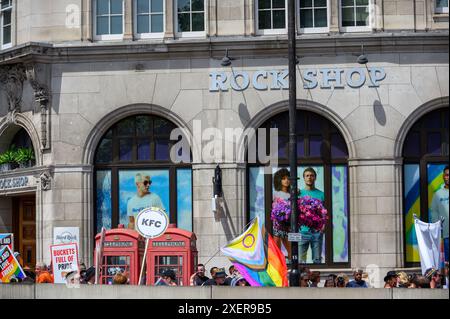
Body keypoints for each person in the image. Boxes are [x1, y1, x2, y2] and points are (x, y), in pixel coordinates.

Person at [299, 167, 325, 264]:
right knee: (301, 261)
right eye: (307, 176)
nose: (309, 178)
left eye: (311, 176)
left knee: (317, 259)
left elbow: (325, 212)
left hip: (317, 232)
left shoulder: (321, 194)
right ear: (304, 178)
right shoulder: (299, 194)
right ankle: (302, 279)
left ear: (315, 178)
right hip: (302, 231)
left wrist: (323, 226)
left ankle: (315, 279)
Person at [430, 166, 449, 262]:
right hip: (445, 235)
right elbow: (434, 211)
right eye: (446, 175)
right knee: (446, 263)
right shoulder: (438, 194)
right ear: (443, 176)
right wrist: (437, 225)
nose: (448, 177)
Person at [272, 168, 292, 258]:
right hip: (277, 226)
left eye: (288, 178)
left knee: (291, 251)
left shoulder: (292, 194)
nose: (286, 181)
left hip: (288, 226)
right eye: (283, 178)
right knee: (276, 253)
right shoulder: (275, 193)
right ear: (279, 180)